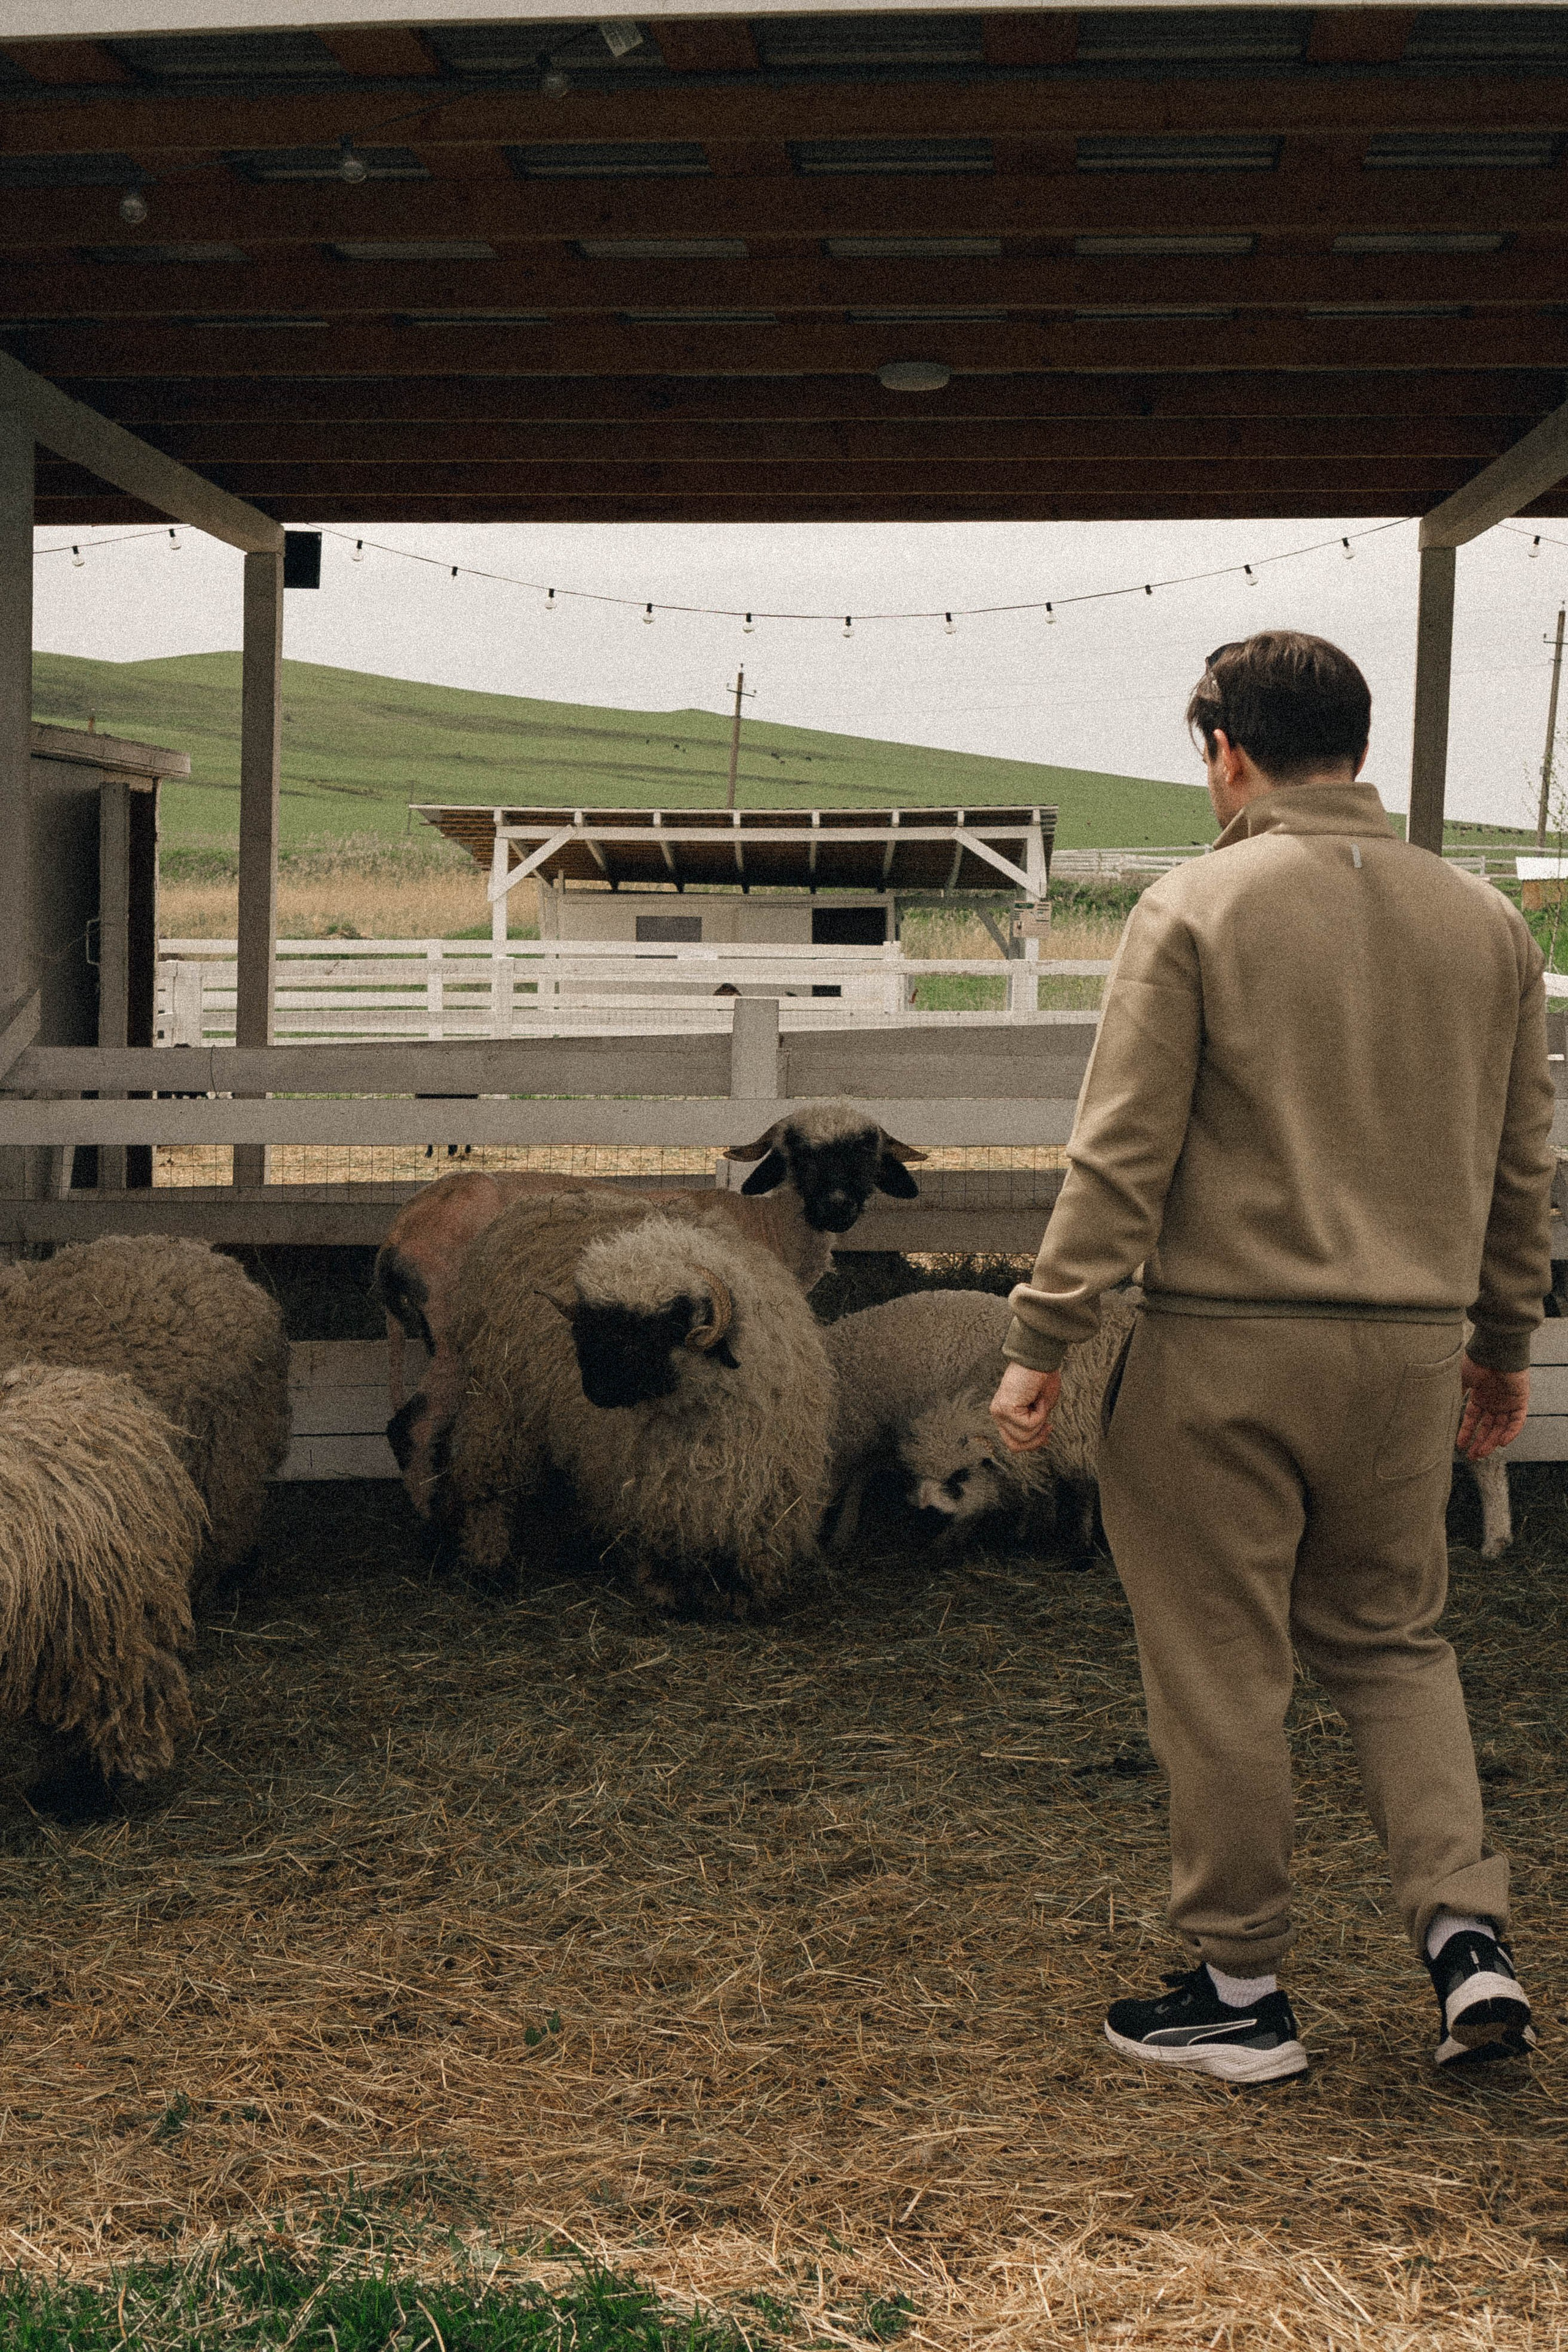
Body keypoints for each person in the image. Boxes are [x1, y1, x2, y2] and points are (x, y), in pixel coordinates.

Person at [990, 630, 1554, 2082]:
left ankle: (1239, 1992)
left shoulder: (1195, 908)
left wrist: (1040, 1337)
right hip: (1406, 1355)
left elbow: (1120, 1154)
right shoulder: (1486, 925)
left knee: (1222, 1668)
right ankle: (1463, 1941)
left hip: (1224, 1353)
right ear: (1355, 748)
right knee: (1392, 1641)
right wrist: (1500, 1341)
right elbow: (1518, 1168)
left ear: (1221, 749)